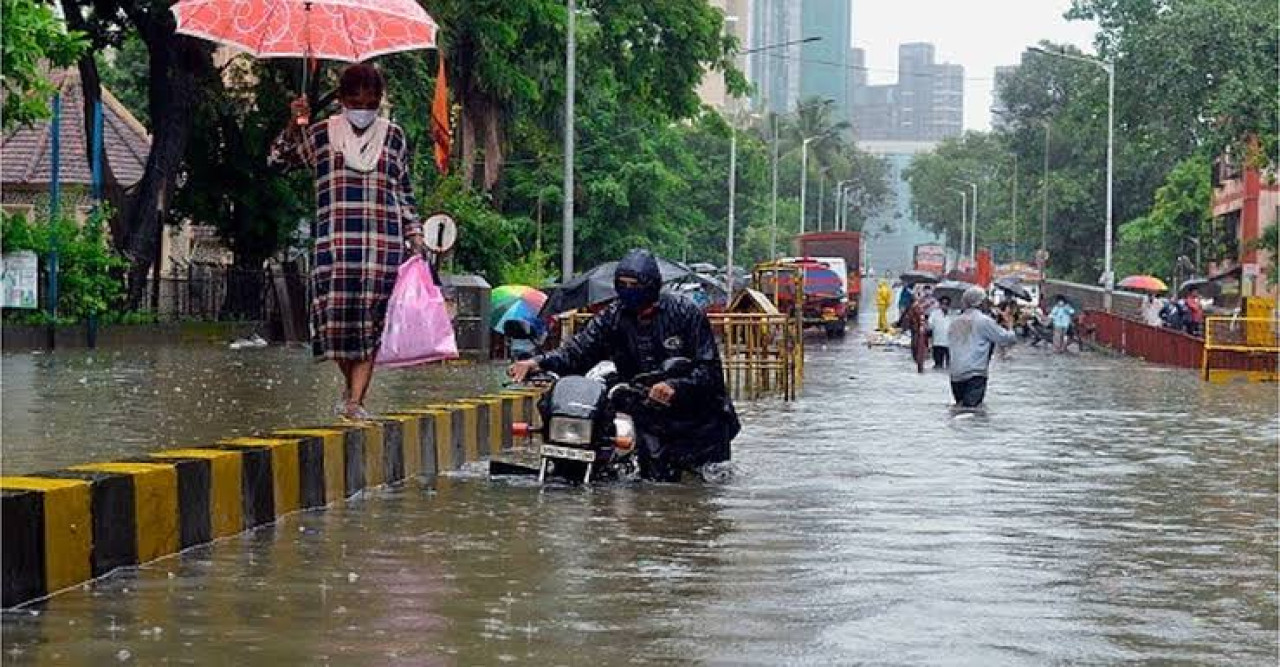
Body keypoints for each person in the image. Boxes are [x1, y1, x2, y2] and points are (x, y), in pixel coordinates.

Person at [270, 63, 426, 420]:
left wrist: (414, 232)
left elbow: (403, 190)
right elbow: (279, 160)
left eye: (371, 102)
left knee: (371, 326)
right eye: (356, 100)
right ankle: (350, 387)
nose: (363, 108)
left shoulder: (394, 136)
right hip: (335, 248)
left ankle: (355, 402)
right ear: (341, 99)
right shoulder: (322, 134)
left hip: (382, 247)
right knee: (336, 327)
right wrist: (295, 124)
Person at [508, 250, 740, 482]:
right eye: (623, 284)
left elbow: (710, 369)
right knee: (650, 482)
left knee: (704, 490)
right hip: (647, 411)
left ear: (651, 284)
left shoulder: (685, 313)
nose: (629, 290)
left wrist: (675, 385)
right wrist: (537, 362)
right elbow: (578, 350)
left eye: (635, 284)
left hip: (698, 421)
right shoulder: (613, 316)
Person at [947, 287, 1017, 408]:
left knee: (960, 408)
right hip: (975, 374)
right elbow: (1007, 339)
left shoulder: (955, 322)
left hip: (955, 375)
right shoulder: (983, 321)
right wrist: (1010, 324)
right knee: (972, 412)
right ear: (980, 303)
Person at [927, 296, 954, 369]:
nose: (944, 306)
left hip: (950, 344)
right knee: (938, 365)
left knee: (949, 366)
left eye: (946, 304)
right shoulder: (934, 314)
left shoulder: (954, 315)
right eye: (943, 303)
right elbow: (930, 326)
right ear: (940, 304)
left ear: (949, 305)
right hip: (937, 343)